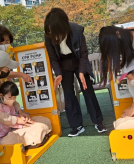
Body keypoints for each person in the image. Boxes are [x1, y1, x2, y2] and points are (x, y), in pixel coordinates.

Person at [44, 8, 107, 137]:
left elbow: (84, 53)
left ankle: (98, 121)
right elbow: (53, 58)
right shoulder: (48, 36)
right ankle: (76, 125)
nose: (50, 33)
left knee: (87, 89)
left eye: (53, 30)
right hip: (62, 64)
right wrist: (58, 73)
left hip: (78, 60)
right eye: (49, 30)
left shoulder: (77, 30)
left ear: (62, 26)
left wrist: (82, 72)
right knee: (68, 93)